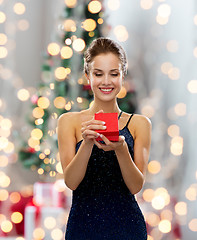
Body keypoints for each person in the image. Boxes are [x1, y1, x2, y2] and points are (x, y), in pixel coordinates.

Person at [57, 37, 152, 240]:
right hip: (82, 228)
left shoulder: (139, 124)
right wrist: (87, 142)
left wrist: (121, 149)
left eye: (114, 74)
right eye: (98, 74)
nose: (106, 81)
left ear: (123, 75)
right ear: (87, 76)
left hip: (128, 228)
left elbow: (136, 186)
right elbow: (71, 182)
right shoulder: (69, 122)